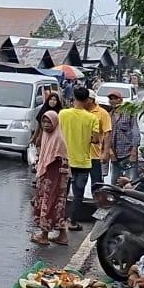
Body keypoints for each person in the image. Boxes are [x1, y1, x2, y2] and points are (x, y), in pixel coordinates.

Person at [59, 87, 100, 230]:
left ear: (73, 98)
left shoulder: (63, 114)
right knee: (78, 194)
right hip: (82, 162)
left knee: (62, 192)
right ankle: (72, 221)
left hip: (64, 160)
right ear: (87, 99)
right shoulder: (92, 118)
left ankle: (59, 220)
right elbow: (95, 139)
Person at [30, 110, 70, 246]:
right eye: (44, 122)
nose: (46, 125)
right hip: (47, 174)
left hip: (53, 176)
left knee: (49, 202)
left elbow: (61, 159)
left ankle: (44, 235)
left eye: (49, 122)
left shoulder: (58, 138)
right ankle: (62, 235)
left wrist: (50, 176)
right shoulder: (47, 135)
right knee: (56, 204)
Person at [108, 92, 141, 182]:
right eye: (111, 99)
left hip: (128, 153)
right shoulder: (109, 116)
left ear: (120, 100)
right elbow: (106, 135)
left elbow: (135, 131)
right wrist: (109, 151)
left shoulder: (129, 114)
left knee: (131, 182)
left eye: (115, 98)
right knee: (115, 182)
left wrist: (134, 151)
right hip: (115, 155)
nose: (113, 101)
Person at [87, 89, 113, 189]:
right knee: (78, 182)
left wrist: (106, 152)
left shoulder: (103, 113)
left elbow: (107, 133)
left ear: (91, 100)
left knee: (96, 181)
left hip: (96, 154)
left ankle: (98, 202)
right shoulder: (80, 111)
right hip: (80, 154)